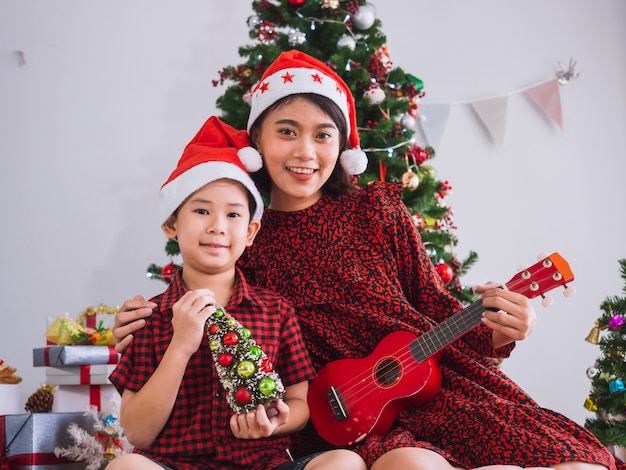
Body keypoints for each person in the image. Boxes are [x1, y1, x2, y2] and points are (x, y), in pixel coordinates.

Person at [113, 51, 622, 470]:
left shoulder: (378, 209)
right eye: (286, 131)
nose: (305, 151)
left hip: (438, 387)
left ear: (341, 145)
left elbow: (433, 305)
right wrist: (139, 321)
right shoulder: (243, 237)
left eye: (323, 134)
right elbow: (206, 313)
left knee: (579, 466)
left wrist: (498, 331)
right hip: (344, 417)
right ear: (257, 142)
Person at [107, 115, 367, 470]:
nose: (217, 226)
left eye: (233, 215)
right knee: (126, 468)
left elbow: (300, 404)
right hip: (178, 464)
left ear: (250, 232)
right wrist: (180, 345)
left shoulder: (275, 311)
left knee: (344, 463)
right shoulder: (150, 317)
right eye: (201, 211)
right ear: (172, 224)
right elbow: (138, 433)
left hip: (263, 465)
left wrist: (276, 421)